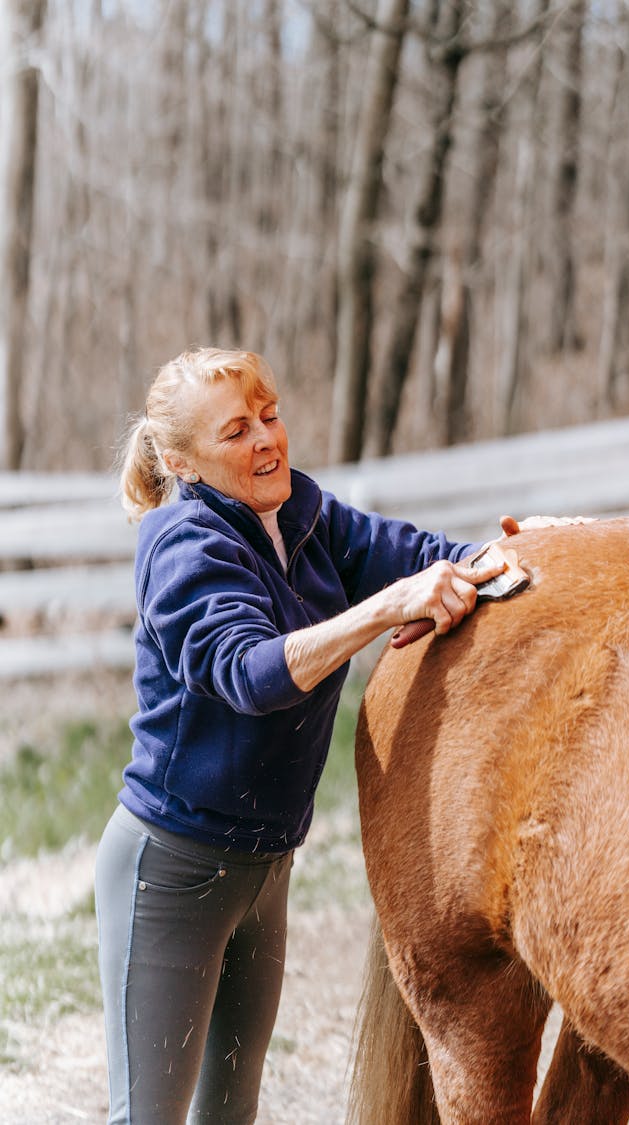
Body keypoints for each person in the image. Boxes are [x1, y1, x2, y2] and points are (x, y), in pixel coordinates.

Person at [93, 346, 528, 1124]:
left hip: (266, 868)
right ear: (180, 461)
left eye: (270, 415)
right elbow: (252, 673)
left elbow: (423, 555)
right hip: (172, 868)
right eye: (235, 431)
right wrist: (386, 607)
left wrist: (529, 551)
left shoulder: (305, 515)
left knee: (232, 1112)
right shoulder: (182, 545)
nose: (266, 439)